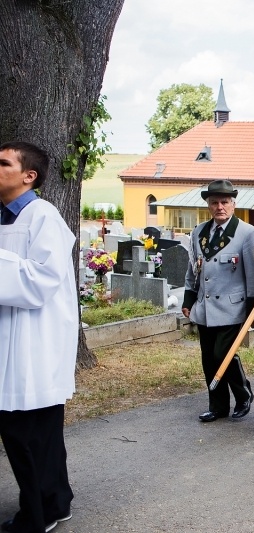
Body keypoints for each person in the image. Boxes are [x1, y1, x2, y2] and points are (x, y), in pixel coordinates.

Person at [0, 141, 76, 532]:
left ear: (28, 176)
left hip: (33, 346)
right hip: (6, 343)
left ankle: (41, 512)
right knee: (27, 435)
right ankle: (55, 499)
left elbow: (39, 281)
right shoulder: (3, 217)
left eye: (3, 163)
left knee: (31, 435)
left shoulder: (44, 217)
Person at [183, 179, 254, 423]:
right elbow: (193, 270)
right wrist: (188, 299)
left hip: (233, 307)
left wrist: (253, 310)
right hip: (205, 308)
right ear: (208, 205)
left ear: (233, 204)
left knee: (222, 354)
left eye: (224, 202)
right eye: (214, 202)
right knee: (208, 358)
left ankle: (243, 393)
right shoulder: (199, 233)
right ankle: (217, 406)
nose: (220, 207)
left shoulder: (246, 233)